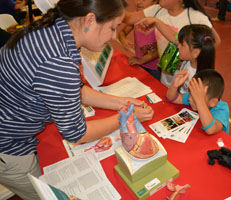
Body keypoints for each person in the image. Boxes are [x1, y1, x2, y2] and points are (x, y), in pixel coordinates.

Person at [0, 0, 154, 199]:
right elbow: (77, 133)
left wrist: (120, 102)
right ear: (90, 19)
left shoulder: (51, 31)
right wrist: (126, 116)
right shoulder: (58, 63)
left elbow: (74, 89)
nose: (115, 35)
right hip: (9, 147)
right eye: (112, 28)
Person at [123, 0, 221, 88]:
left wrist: (192, 57)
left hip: (186, 82)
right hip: (166, 76)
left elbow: (214, 41)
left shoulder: (195, 17)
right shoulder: (157, 10)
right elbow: (129, 18)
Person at [166, 69, 229, 135]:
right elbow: (172, 98)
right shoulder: (193, 97)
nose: (189, 98)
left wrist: (199, 101)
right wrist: (174, 86)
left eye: (196, 96)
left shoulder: (222, 109)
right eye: (190, 93)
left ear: (213, 102)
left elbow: (210, 129)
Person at [118, 0, 161, 80]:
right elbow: (122, 32)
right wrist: (123, 40)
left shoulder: (159, 20)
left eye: (143, 0)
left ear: (155, 2)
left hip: (155, 68)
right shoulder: (136, 16)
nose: (139, 2)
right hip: (139, 63)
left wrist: (142, 60)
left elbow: (161, 49)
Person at [173, 24, 215, 94]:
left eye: (182, 44)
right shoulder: (187, 61)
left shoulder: (199, 81)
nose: (178, 46)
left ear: (195, 53)